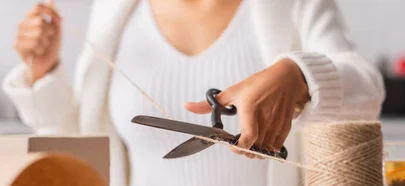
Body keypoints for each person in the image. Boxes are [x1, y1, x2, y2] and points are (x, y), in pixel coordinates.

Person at [3, 0, 384, 186]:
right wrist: (43, 70)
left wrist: (298, 74)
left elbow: (368, 88)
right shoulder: (115, 10)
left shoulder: (290, 4)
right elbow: (76, 138)